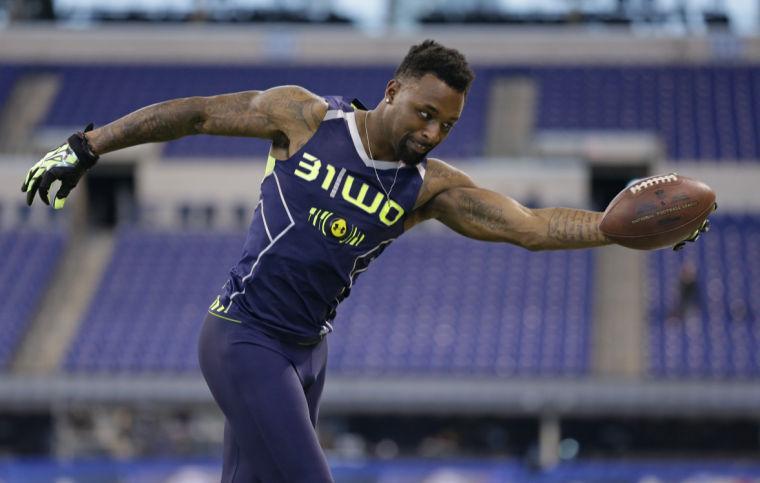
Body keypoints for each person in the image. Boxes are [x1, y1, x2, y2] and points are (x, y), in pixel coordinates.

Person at [21, 40, 709, 482]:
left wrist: (619, 231)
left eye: (447, 125)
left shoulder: (428, 188)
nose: (431, 131)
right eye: (424, 112)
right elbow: (197, 113)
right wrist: (89, 145)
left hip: (308, 355)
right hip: (243, 338)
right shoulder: (304, 118)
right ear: (392, 90)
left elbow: (532, 227)